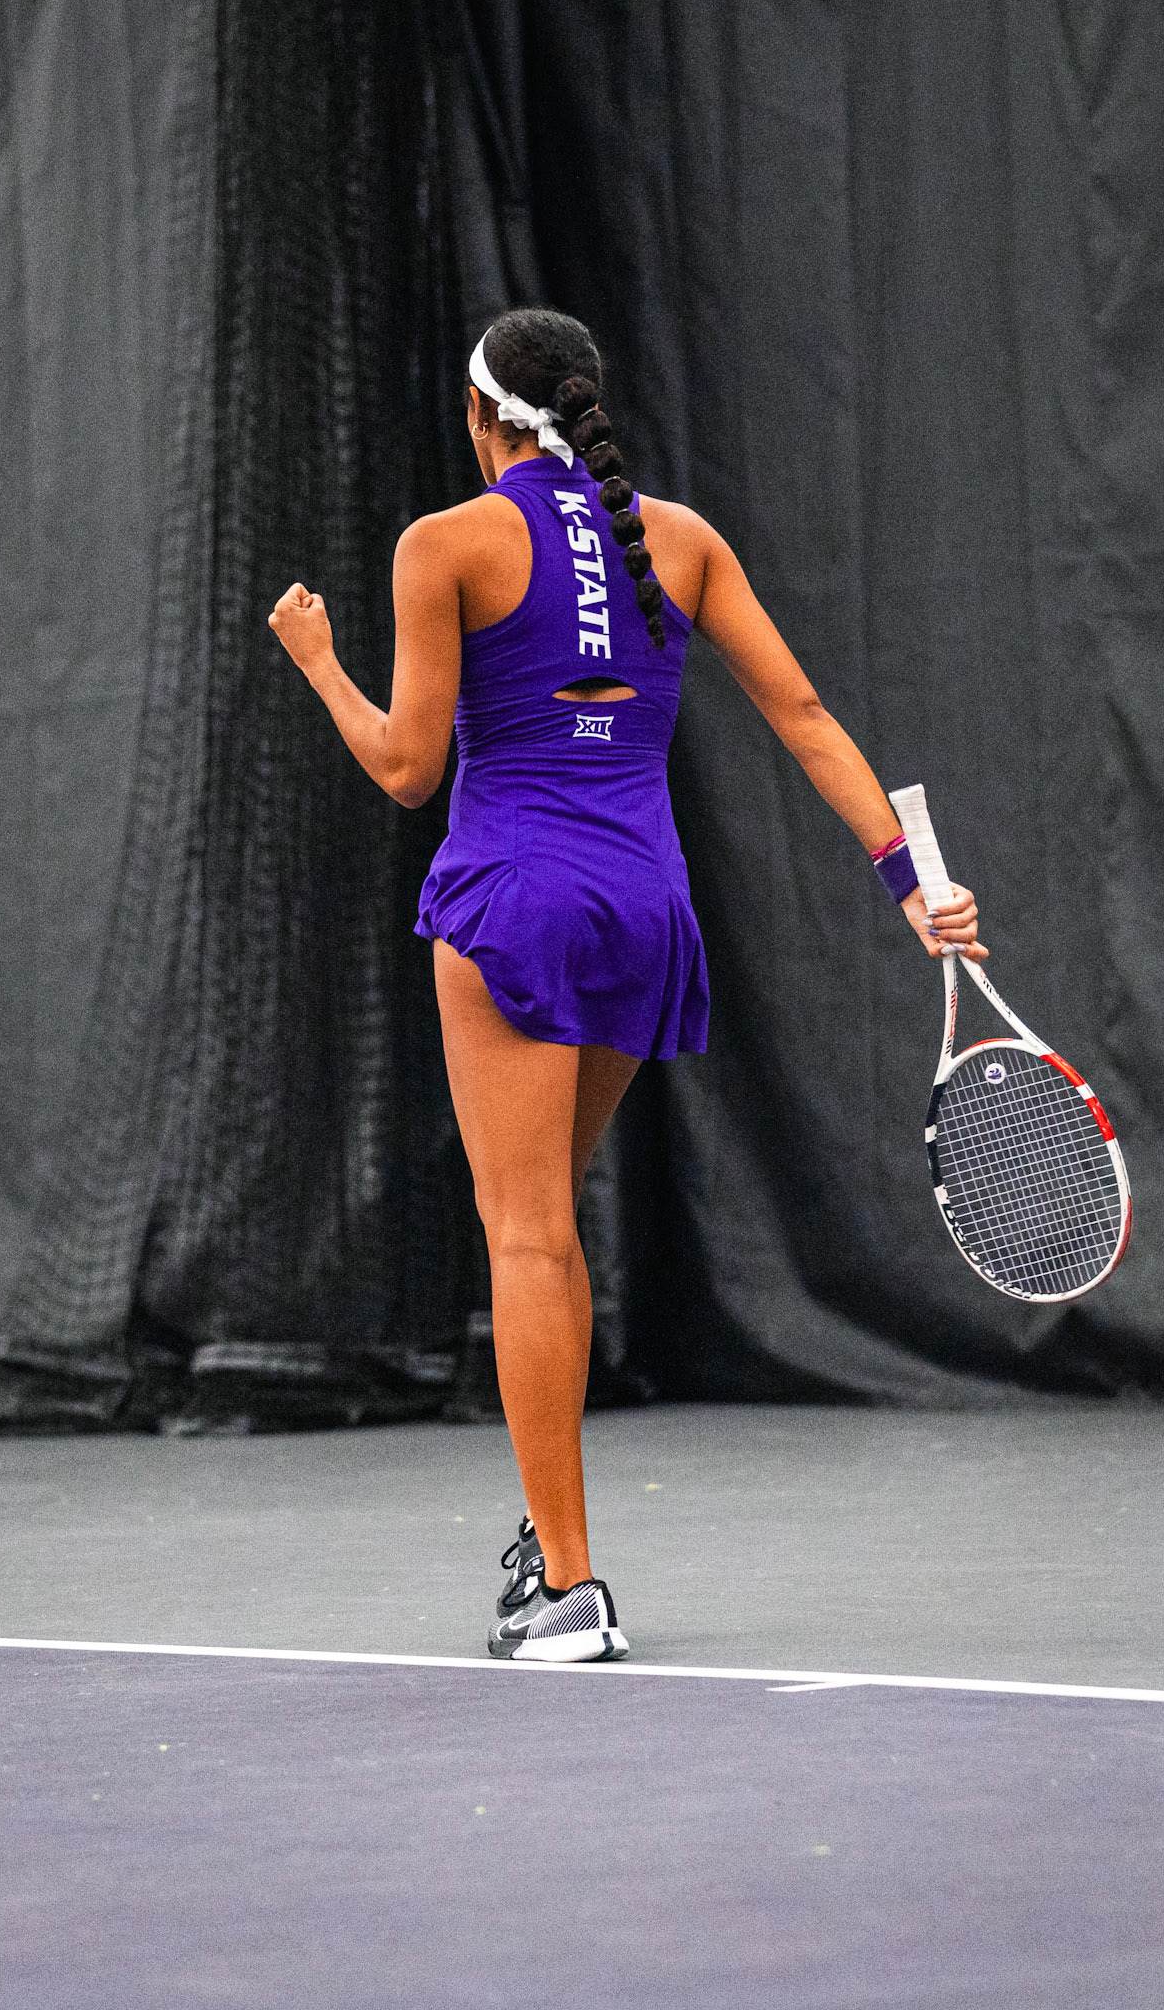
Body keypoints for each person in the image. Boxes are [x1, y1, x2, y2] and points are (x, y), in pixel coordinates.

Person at [270, 307, 985, 1665]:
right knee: (545, 1227)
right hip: (646, 914)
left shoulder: (444, 545)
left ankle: (570, 1593)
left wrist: (316, 663)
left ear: (486, 421)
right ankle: (551, 1543)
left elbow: (406, 770)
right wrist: (910, 888)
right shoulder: (684, 539)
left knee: (526, 1234)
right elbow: (806, 719)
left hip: (515, 908)